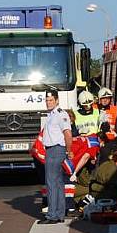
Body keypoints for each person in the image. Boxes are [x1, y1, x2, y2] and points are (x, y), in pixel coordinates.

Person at [39, 89, 73, 224]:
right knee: (58, 183)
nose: (48, 103)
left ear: (57, 100)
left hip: (56, 150)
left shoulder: (60, 114)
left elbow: (68, 134)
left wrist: (69, 151)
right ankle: (59, 213)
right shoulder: (51, 114)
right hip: (52, 149)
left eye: (51, 100)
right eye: (47, 100)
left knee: (52, 183)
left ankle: (52, 215)